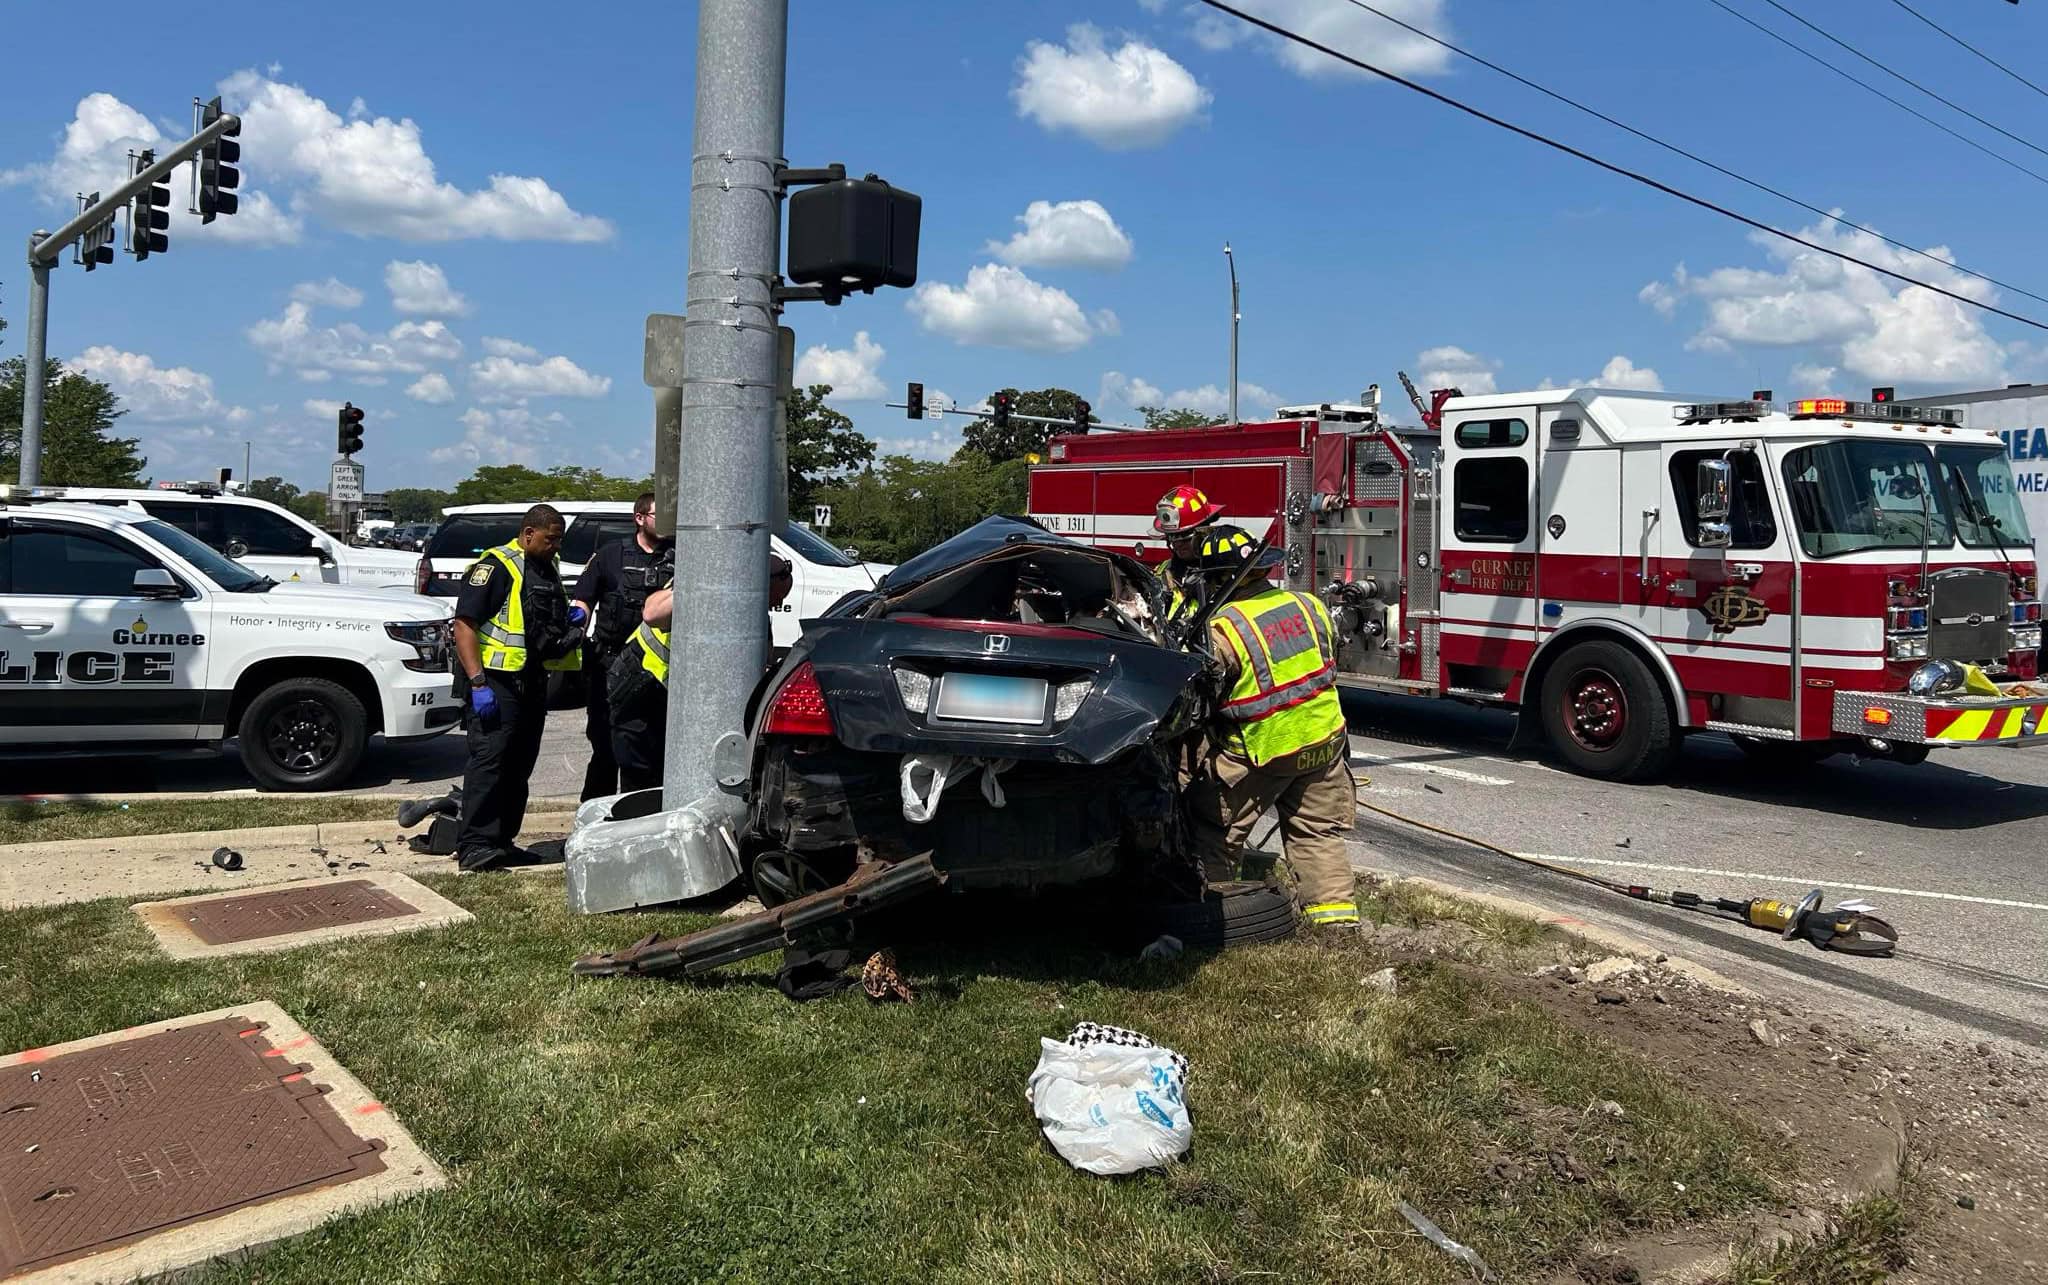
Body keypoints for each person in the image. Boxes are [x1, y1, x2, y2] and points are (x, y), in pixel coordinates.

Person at [1184, 540, 1359, 928]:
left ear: (1221, 580)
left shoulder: (1224, 629)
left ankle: (1218, 919)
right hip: (1324, 742)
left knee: (1215, 832)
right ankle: (1336, 926)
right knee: (1317, 834)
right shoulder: (1309, 604)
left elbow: (1203, 695)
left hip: (1263, 749)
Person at [449, 503, 584, 871]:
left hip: (532, 681)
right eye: (550, 539)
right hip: (496, 682)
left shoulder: (546, 567)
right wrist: (478, 683)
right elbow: (464, 625)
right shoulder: (497, 566)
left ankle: (502, 840)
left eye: (559, 540)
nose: (556, 547)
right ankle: (475, 845)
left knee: (519, 765)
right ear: (528, 534)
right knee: (489, 763)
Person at [609, 552, 794, 793]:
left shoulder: (751, 613)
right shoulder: (703, 587)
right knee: (642, 781)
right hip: (641, 687)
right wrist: (699, 582)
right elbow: (652, 614)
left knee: (670, 778)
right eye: (773, 599)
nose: (772, 606)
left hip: (675, 700)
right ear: (758, 581)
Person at [570, 492, 669, 800]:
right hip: (609, 668)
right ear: (639, 518)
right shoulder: (611, 554)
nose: (667, 523)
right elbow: (583, 599)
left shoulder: (681, 556)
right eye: (658, 515)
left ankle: (639, 824)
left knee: (648, 754)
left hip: (656, 672)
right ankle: (593, 829)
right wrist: (575, 627)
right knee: (605, 749)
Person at [1151, 484, 1255, 623]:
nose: (1177, 543)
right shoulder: (1163, 570)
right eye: (1172, 536)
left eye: (1184, 536)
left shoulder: (1226, 570)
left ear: (1204, 532)